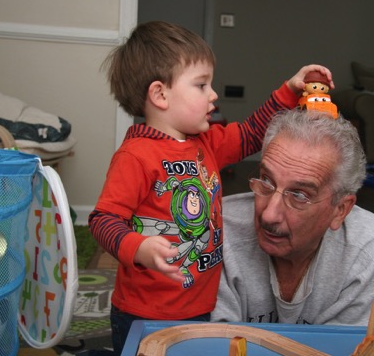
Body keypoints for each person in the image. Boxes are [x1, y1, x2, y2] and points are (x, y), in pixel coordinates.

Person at [88, 20, 334, 354]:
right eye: (201, 85)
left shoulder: (206, 144)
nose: (213, 94)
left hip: (201, 305)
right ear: (160, 94)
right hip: (143, 312)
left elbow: (250, 133)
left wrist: (290, 90)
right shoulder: (135, 156)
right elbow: (103, 220)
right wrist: (139, 248)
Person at [211, 109, 374, 325]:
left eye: (299, 195)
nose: (269, 215)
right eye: (266, 181)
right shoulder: (218, 228)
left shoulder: (365, 244)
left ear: (340, 210)